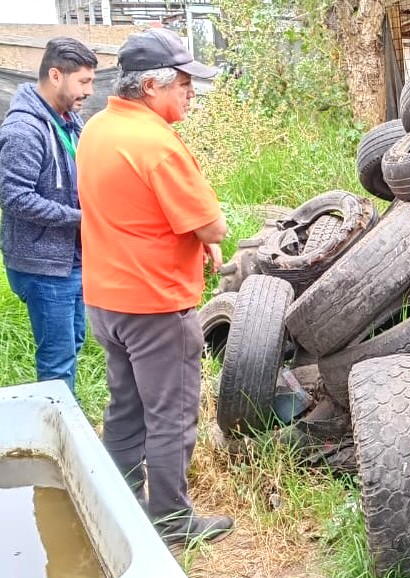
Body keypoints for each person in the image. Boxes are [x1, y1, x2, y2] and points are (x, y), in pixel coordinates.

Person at [75, 28, 232, 549]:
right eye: (184, 84)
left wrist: (194, 238)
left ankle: (119, 505)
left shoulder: (97, 128)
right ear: (150, 86)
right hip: (155, 306)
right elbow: (212, 225)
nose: (191, 94)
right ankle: (171, 521)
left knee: (125, 407)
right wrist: (206, 237)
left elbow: (133, 209)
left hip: (106, 300)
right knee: (171, 415)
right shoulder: (157, 144)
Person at [0, 37, 97, 393]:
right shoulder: (24, 130)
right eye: (83, 81)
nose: (89, 90)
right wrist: (81, 218)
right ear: (56, 75)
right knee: (57, 361)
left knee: (74, 341)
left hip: (71, 258)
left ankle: (61, 414)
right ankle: (57, 423)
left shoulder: (70, 121)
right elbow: (14, 197)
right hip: (42, 265)